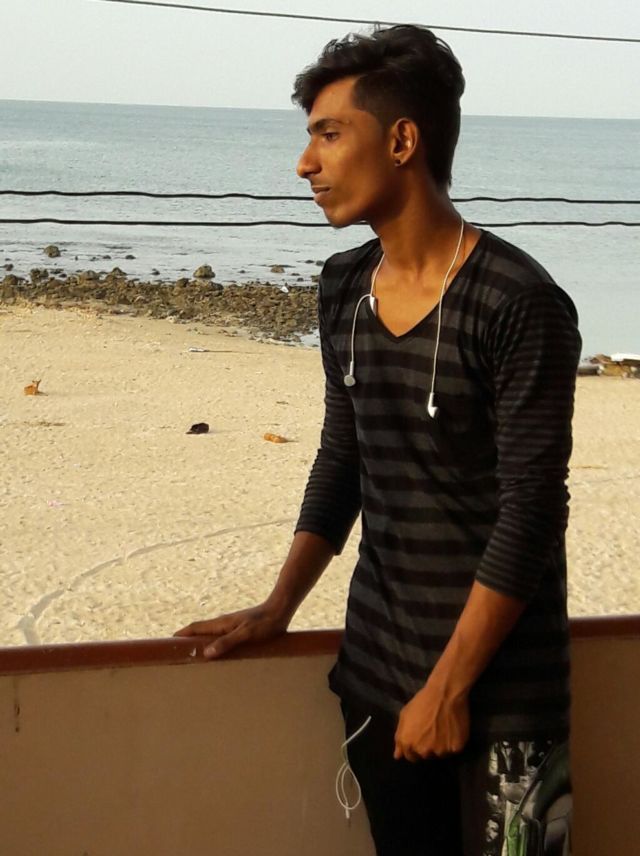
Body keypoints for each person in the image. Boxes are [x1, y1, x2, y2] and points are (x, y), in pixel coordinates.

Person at [176, 24, 580, 855]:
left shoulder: (519, 301)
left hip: (506, 695)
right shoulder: (343, 286)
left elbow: (533, 510)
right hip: (377, 674)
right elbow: (344, 457)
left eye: (329, 134)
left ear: (402, 141)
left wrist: (449, 687)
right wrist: (279, 606)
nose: (305, 163)